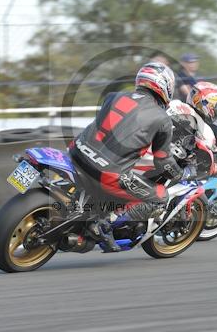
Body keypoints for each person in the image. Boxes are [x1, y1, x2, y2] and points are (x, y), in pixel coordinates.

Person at [69, 62, 197, 252]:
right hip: (106, 173)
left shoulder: (113, 96)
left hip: (76, 151)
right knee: (160, 198)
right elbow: (162, 162)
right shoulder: (162, 119)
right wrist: (181, 174)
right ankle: (105, 224)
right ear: (165, 87)